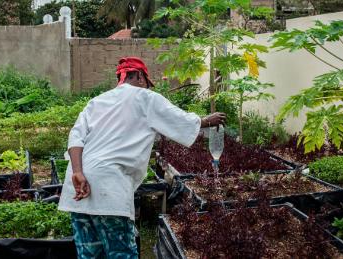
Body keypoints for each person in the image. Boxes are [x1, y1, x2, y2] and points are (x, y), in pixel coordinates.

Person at [58, 57, 226, 258]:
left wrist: (77, 172)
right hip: (109, 188)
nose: (147, 87)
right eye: (147, 82)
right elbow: (179, 119)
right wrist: (208, 120)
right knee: (121, 253)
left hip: (78, 187)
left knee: (89, 254)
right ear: (139, 76)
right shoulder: (146, 98)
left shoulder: (96, 102)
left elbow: (75, 138)